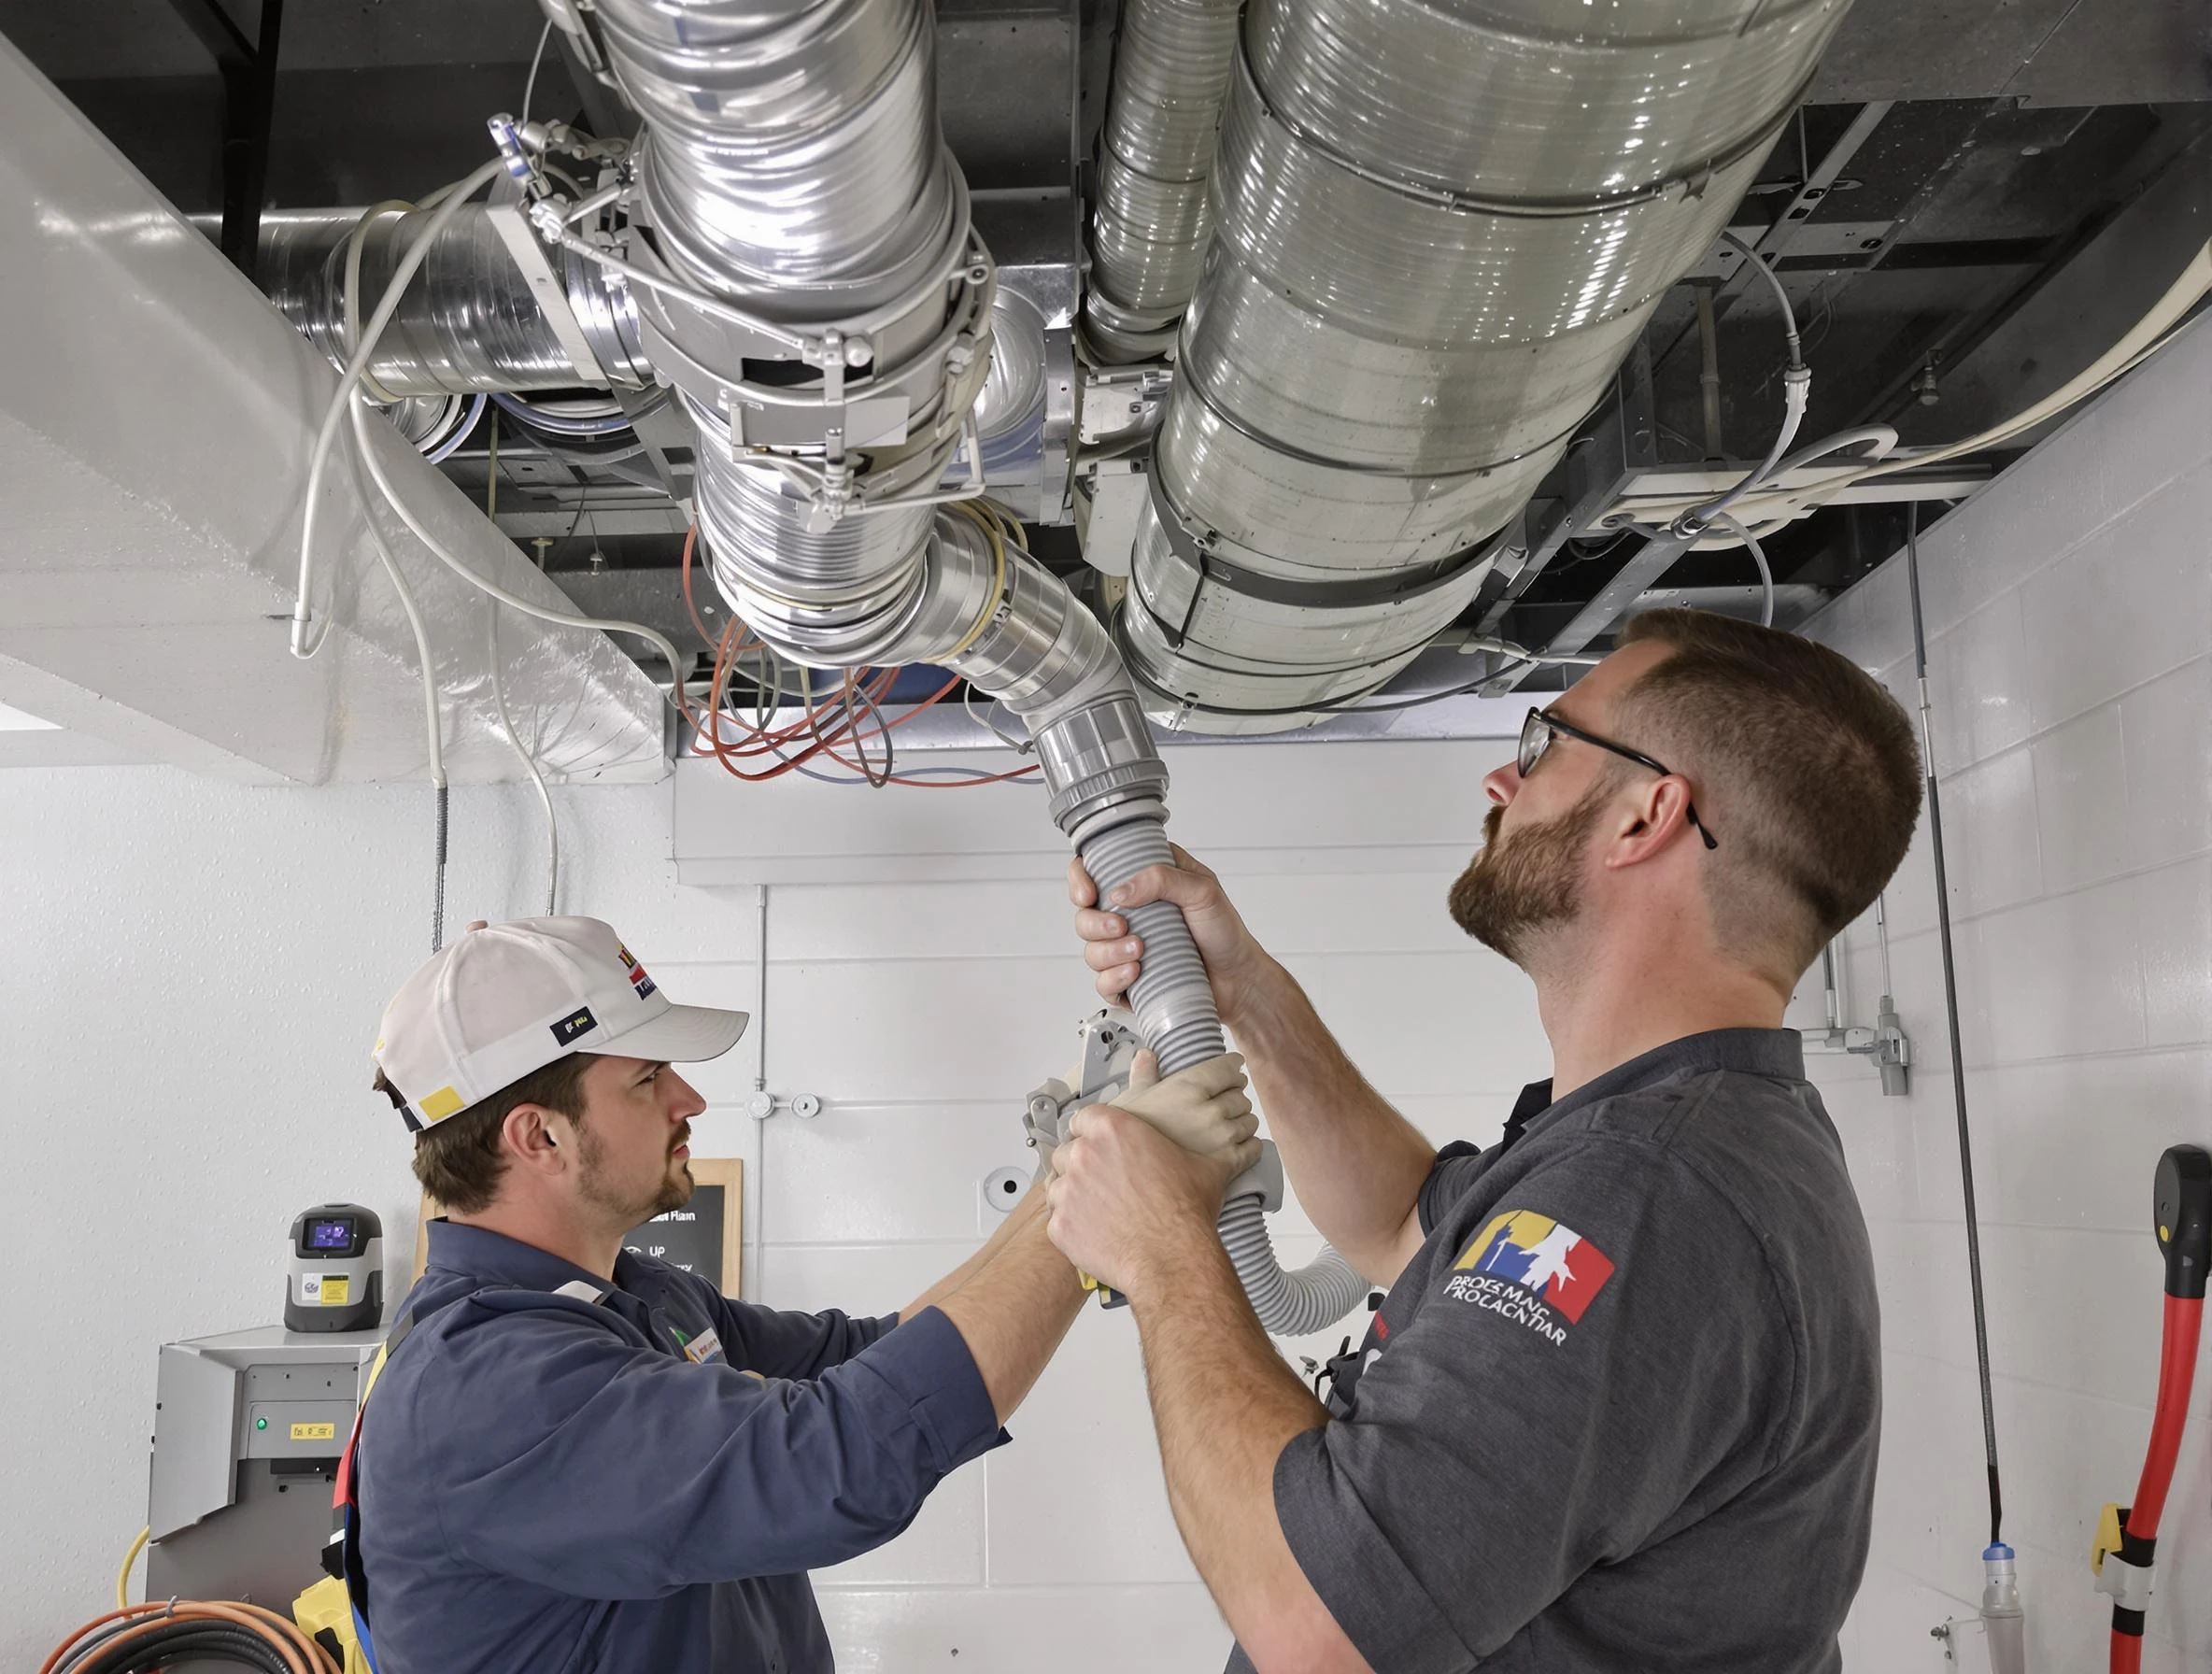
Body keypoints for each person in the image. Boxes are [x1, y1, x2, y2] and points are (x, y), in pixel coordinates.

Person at [1046, 608, 1923, 1674]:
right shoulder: (1675, 1129)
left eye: (1544, 745)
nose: (1500, 784)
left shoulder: (1644, 1190)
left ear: (1647, 816)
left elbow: (1314, 1627)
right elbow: (1395, 1220)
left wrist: (1161, 1245)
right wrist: (1248, 991)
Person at [346, 914, 1255, 1674]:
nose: (690, 1100)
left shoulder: (631, 1294)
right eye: (648, 1078)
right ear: (538, 1135)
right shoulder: (484, 1387)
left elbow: (868, 1356)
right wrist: (1111, 1191)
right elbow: (840, 1460)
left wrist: (1074, 1166)